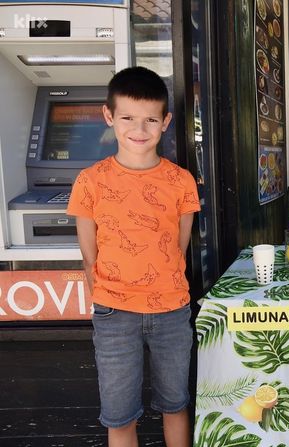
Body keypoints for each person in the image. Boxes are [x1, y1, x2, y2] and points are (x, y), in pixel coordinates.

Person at [67, 66, 200, 447]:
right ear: (109, 116)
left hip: (172, 311)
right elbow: (88, 254)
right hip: (114, 314)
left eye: (150, 120)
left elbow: (179, 246)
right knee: (119, 414)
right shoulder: (90, 181)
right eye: (127, 118)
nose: (138, 129)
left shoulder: (181, 182)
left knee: (176, 404)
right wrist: (108, 298)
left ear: (165, 122)